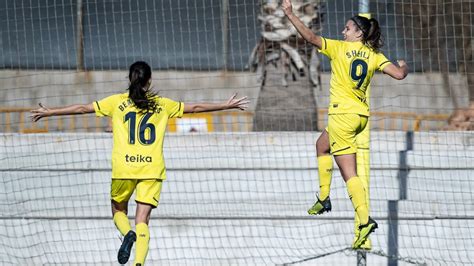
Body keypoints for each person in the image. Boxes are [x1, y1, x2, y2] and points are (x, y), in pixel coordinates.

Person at [30, 61, 249, 265]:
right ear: (149, 81)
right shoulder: (162, 104)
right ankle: (138, 263)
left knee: (117, 210)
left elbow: (81, 109)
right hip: (152, 169)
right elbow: (195, 108)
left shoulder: (116, 102)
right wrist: (225, 105)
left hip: (124, 167)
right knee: (142, 219)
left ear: (129, 79)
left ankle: (127, 234)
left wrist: (50, 112)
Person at [282, 0, 408, 249]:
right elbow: (399, 74)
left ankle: (363, 221)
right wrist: (404, 64)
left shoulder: (339, 48)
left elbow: (309, 37)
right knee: (321, 145)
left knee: (349, 173)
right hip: (359, 116)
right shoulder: (374, 55)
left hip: (342, 116)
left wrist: (289, 13)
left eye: (347, 28)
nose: (343, 32)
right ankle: (324, 197)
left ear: (358, 33)